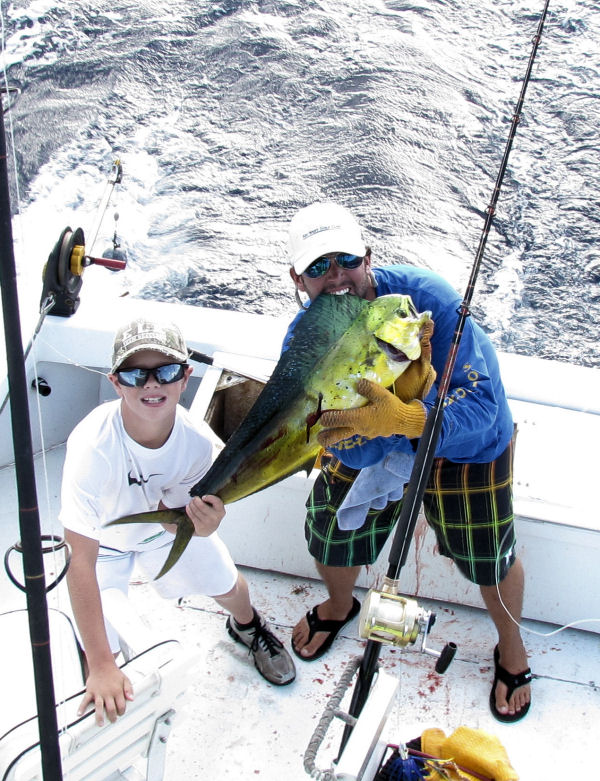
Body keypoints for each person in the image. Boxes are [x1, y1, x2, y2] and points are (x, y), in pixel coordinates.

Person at [284, 201, 531, 723]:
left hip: (464, 444)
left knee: (489, 555)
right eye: (317, 267)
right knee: (330, 532)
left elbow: (485, 411)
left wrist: (408, 418)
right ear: (298, 280)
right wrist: (382, 430)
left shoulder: (428, 302)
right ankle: (338, 606)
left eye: (346, 259)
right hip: (374, 439)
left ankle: (512, 646)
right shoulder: (305, 341)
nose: (336, 277)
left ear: (368, 257)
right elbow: (343, 437)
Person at [60, 317, 295, 726]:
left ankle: (248, 626)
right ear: (116, 383)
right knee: (100, 656)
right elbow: (78, 560)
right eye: (136, 375)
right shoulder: (91, 446)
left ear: (185, 377)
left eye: (165, 372)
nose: (151, 385)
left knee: (230, 584)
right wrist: (101, 665)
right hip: (103, 546)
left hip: (160, 535)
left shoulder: (199, 445)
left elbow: (179, 520)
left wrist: (204, 526)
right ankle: (96, 663)